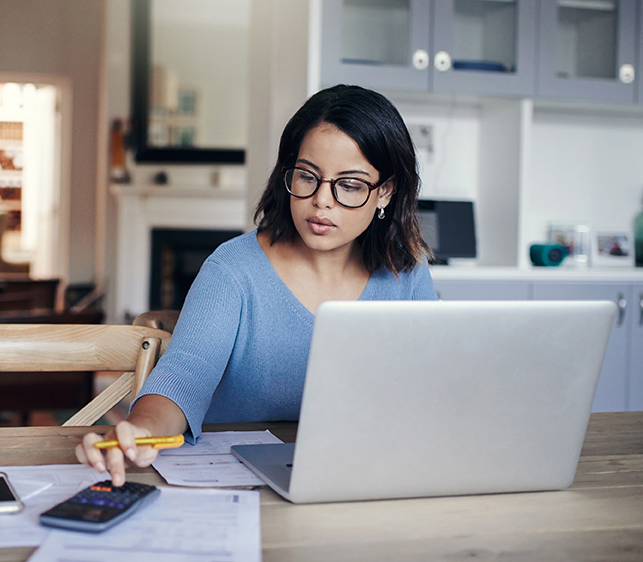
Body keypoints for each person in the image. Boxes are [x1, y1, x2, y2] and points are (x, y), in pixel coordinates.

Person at [76, 84, 438, 485]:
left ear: (385, 191)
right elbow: (183, 377)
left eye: (349, 185)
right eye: (307, 177)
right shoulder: (232, 270)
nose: (322, 201)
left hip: (361, 478)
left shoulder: (407, 272)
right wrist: (142, 431)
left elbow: (431, 390)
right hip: (238, 484)